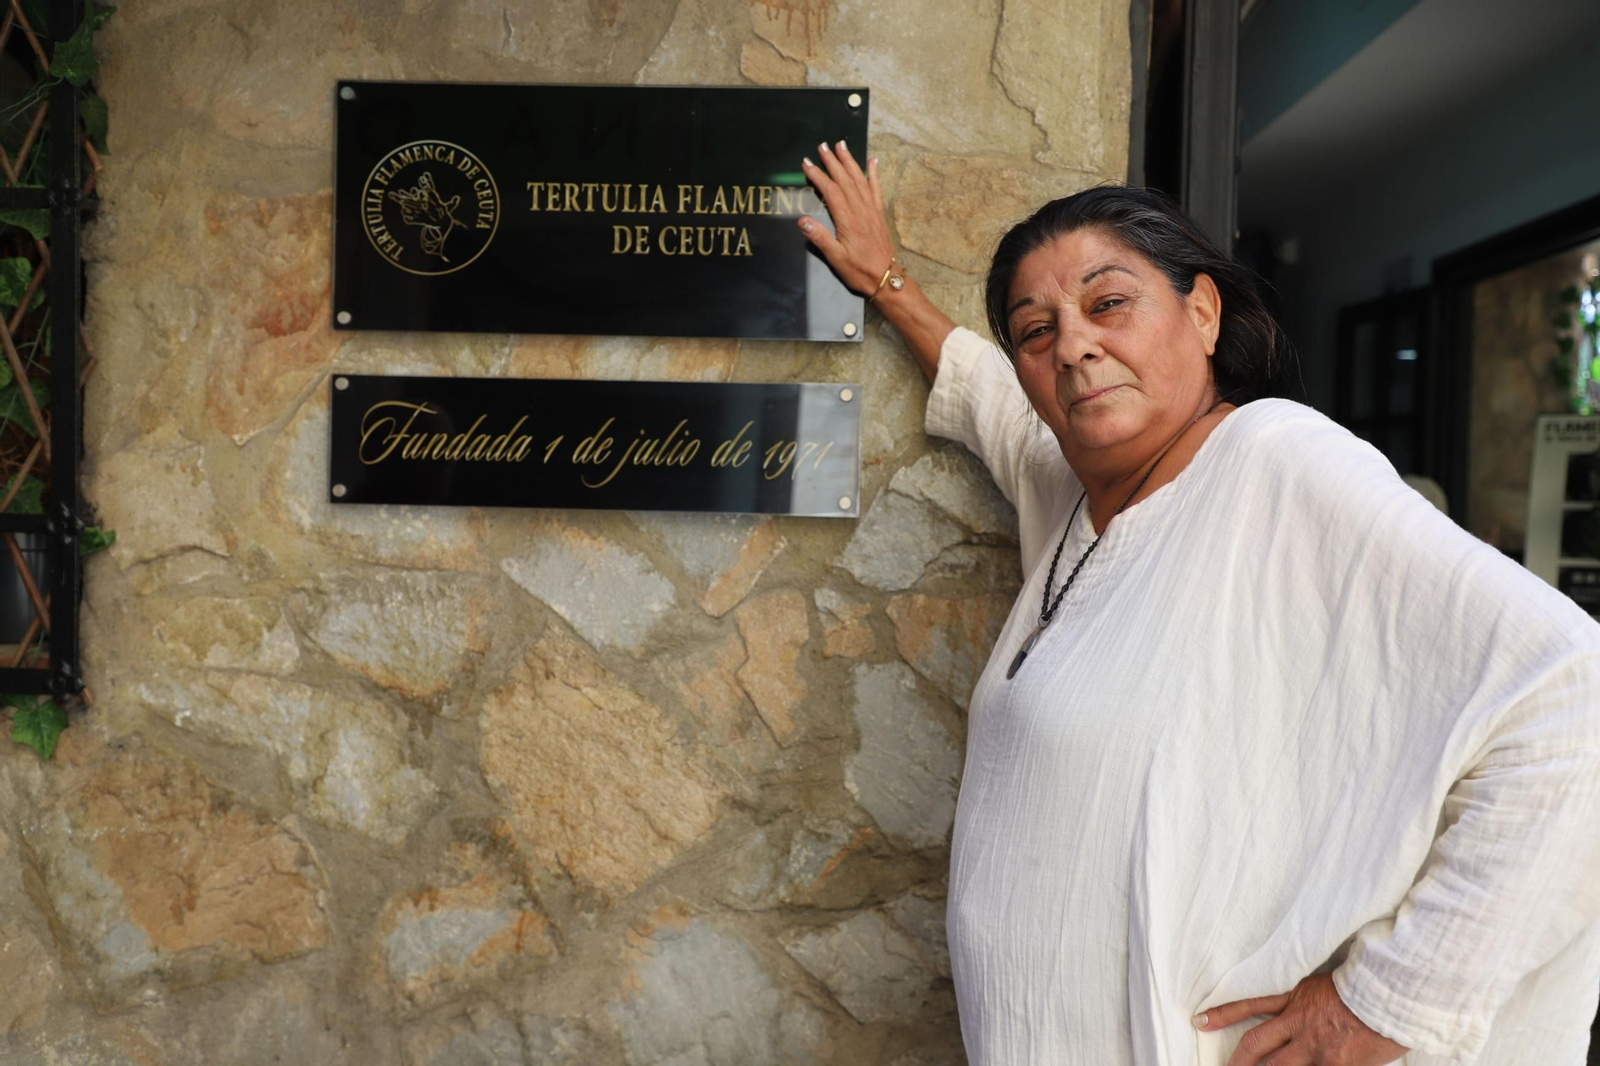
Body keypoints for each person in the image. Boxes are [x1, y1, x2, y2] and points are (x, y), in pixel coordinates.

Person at [797, 139, 1600, 1066]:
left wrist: (1390, 1001)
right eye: (1036, 330)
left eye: (1108, 304)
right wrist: (883, 278)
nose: (1075, 346)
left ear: (1203, 313)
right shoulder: (1073, 494)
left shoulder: (1275, 464)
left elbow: (1574, 699)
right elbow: (995, 403)